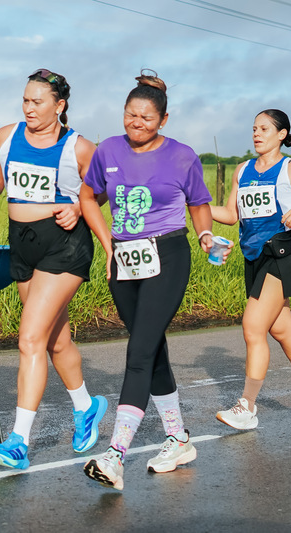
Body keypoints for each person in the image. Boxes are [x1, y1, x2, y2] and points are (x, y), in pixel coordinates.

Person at [79, 70, 223, 490]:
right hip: (123, 260)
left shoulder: (182, 156)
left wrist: (206, 236)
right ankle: (178, 438)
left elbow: (199, 204)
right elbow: (89, 195)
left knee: (139, 351)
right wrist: (106, 243)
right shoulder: (107, 151)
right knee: (152, 347)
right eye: (129, 114)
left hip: (167, 254)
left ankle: (115, 455)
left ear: (162, 119)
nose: (136, 122)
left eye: (145, 117)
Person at [0, 68, 107, 470]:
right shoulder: (6, 136)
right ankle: (86, 407)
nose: (28, 108)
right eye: (25, 100)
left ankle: (18, 442)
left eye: (37, 102)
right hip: (23, 245)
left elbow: (106, 191)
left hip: (65, 247)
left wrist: (78, 205)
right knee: (54, 341)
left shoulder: (78, 148)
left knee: (29, 337)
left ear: (59, 105)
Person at [211, 109, 291, 430]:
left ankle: (246, 407)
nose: (257, 133)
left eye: (264, 128)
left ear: (282, 134)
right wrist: (191, 203)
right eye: (254, 128)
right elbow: (228, 213)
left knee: (253, 327)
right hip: (253, 258)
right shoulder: (242, 170)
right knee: (282, 330)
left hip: (282, 254)